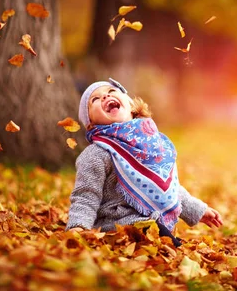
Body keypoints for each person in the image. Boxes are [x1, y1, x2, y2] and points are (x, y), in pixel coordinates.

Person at [66, 78, 223, 246]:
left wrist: (198, 210)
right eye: (94, 100)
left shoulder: (153, 144)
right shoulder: (97, 153)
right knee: (161, 239)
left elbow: (168, 187)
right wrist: (78, 228)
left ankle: (170, 244)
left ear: (131, 105)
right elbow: (86, 195)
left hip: (153, 224)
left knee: (161, 236)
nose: (104, 97)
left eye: (111, 92)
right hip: (116, 227)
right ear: (91, 124)